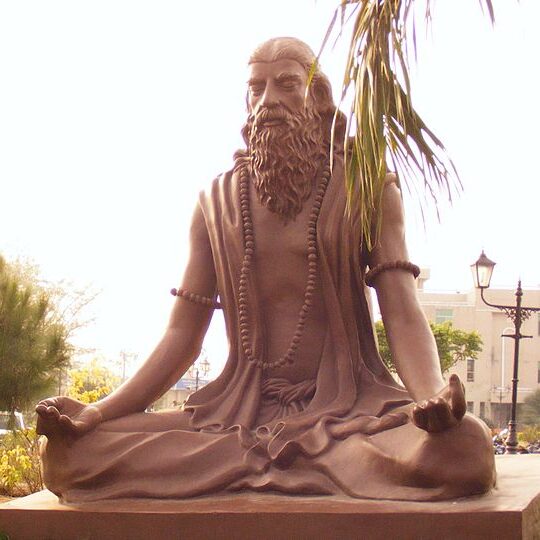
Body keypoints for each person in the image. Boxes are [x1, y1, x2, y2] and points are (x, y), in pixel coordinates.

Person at [36, 37, 495, 502]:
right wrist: (97, 413)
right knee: (70, 454)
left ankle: (274, 466)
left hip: (348, 413)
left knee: (464, 450)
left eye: (286, 85)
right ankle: (292, 468)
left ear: (317, 97)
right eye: (257, 88)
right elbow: (182, 338)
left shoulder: (365, 186)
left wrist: (431, 395)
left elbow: (400, 308)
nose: (269, 101)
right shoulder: (216, 202)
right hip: (237, 416)